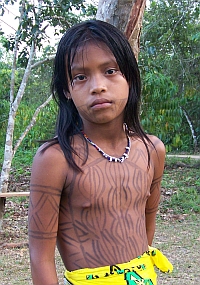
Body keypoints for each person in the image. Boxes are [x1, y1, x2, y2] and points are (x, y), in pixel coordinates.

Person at [28, 20, 173, 285]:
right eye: (80, 76)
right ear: (66, 90)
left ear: (129, 77)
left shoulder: (152, 150)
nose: (98, 86)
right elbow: (40, 256)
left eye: (110, 70)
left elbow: (145, 226)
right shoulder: (56, 158)